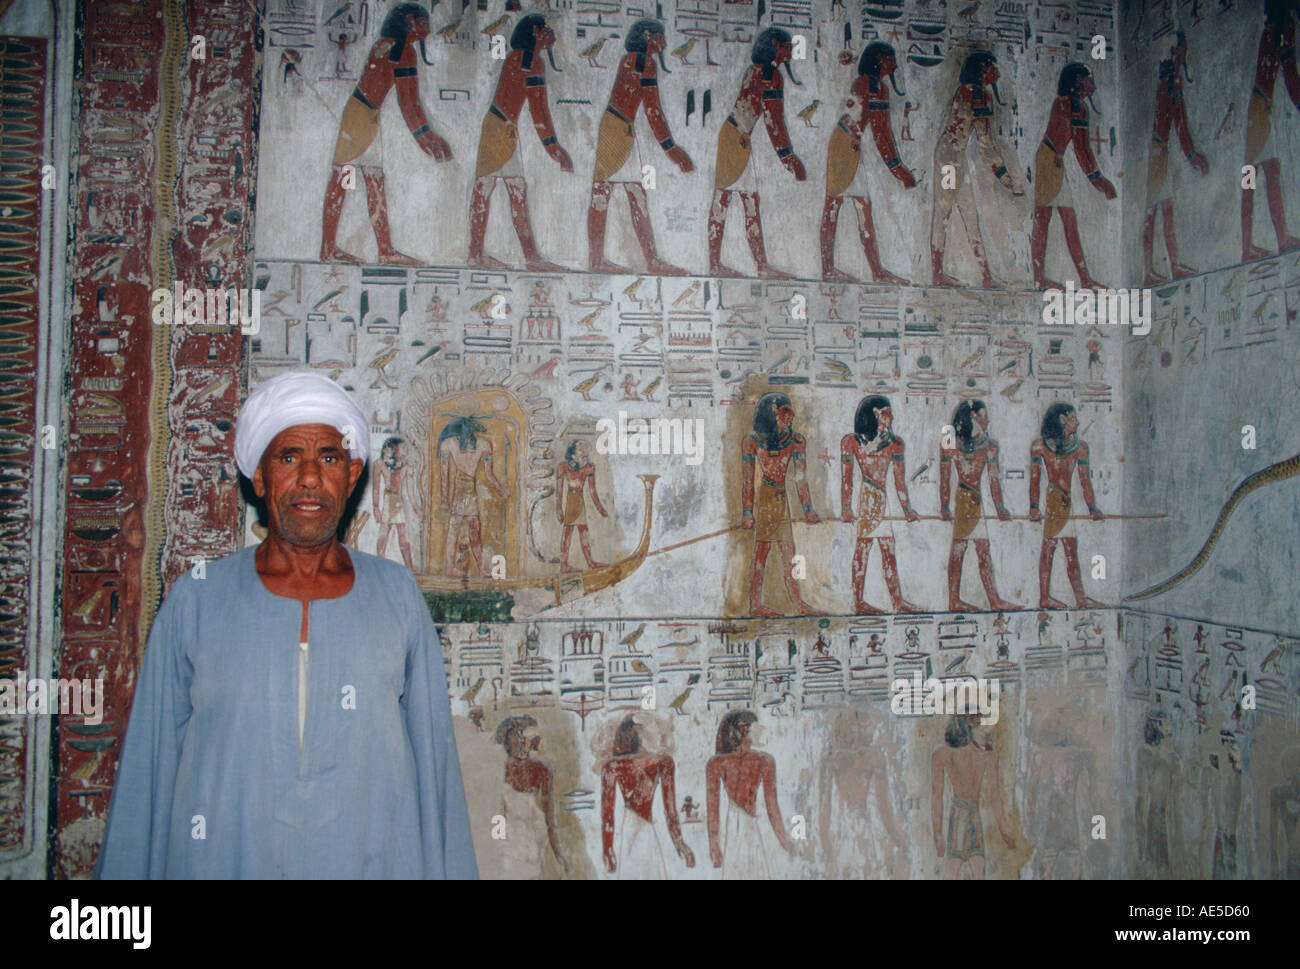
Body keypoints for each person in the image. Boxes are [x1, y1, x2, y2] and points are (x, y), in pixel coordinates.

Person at [95, 371, 477, 878]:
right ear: (259, 477)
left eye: (329, 458)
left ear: (353, 472)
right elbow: (149, 767)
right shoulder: (199, 598)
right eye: (289, 457)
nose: (311, 478)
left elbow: (435, 773)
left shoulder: (397, 596)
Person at [320, 3, 453, 265]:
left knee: (373, 181)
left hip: (364, 116)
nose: (427, 28)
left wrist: (426, 136)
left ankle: (383, 249)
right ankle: (330, 248)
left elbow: (410, 102)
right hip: (360, 120)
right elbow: (408, 102)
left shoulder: (393, 45)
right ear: (408, 23)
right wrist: (425, 137)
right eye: (422, 22)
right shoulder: (400, 49)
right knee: (344, 178)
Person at [588, 19, 694, 275]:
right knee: (611, 192)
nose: (664, 43)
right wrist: (672, 149)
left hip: (618, 127)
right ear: (648, 37)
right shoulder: (643, 62)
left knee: (628, 193)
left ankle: (637, 260)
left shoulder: (634, 60)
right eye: (660, 37)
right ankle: (608, 260)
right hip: (617, 129)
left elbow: (650, 109)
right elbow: (653, 110)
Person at [468, 14, 572, 272]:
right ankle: (477, 254)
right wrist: (554, 148)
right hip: (499, 129)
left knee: (513, 192)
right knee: (488, 188)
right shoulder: (528, 60)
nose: (550, 34)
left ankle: (528, 257)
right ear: (534, 32)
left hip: (502, 127)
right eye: (545, 29)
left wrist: (553, 147)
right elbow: (539, 110)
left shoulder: (524, 58)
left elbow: (538, 110)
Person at [708, 28, 805, 278]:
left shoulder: (764, 72)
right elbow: (774, 121)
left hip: (738, 137)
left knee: (749, 201)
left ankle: (761, 266)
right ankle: (716, 265)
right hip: (734, 138)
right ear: (774, 45)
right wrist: (788, 157)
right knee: (724, 198)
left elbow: (773, 120)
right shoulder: (768, 74)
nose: (791, 51)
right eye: (787, 46)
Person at [820, 42, 915, 284]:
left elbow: (880, 132)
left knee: (856, 207)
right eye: (890, 59)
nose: (894, 64)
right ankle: (835, 270)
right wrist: (899, 170)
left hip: (845, 143)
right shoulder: (874, 86)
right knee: (838, 205)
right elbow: (882, 133)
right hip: (846, 145)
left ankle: (872, 272)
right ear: (879, 61)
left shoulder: (867, 83)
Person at [931, 51, 1021, 288]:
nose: (997, 73)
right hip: (948, 158)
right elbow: (970, 133)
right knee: (944, 211)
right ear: (982, 69)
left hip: (956, 157)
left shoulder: (983, 96)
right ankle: (936, 274)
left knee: (971, 214)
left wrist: (1003, 175)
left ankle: (986, 276)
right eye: (992, 67)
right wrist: (1003, 176)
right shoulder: (969, 92)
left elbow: (985, 141)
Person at [1030, 63, 1116, 290]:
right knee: (1044, 218)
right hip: (1049, 161)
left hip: (1054, 162)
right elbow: (1080, 149)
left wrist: (1098, 179)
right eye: (1088, 80)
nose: (1092, 85)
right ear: (1078, 81)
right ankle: (1040, 280)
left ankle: (1084, 279)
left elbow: (1082, 147)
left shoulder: (1079, 108)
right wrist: (1098, 180)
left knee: (1067, 220)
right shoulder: (1064, 104)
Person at [740, 392, 820, 616]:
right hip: (766, 500)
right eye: (786, 411)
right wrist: (747, 512)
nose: (791, 416)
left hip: (780, 499)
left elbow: (800, 478)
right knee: (761, 552)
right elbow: (748, 480)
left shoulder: (796, 441)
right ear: (773, 414)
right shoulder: (752, 441)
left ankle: (798, 603)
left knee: (789, 551)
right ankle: (755, 604)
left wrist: (808, 510)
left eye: (790, 411)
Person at [840, 395, 920, 614]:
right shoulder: (852, 442)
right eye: (886, 412)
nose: (891, 417)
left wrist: (906, 509)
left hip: (881, 499)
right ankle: (858, 602)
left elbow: (899, 481)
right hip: (867, 499)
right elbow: (847, 479)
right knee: (863, 550)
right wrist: (846, 508)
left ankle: (897, 601)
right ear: (874, 415)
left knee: (888, 551)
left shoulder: (895, 444)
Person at [1142, 31, 1209, 284]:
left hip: (1160, 152)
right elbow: (1179, 123)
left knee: (1162, 210)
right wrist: (1193, 155)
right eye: (1181, 49)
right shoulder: (1172, 83)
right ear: (1173, 53)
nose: (1184, 53)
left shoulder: (1169, 81)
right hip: (1159, 152)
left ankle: (1171, 265)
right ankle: (1150, 271)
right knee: (1154, 212)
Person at [939, 400, 1017, 612]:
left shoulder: (990, 447)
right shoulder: (950, 444)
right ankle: (955, 600)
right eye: (983, 415)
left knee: (983, 552)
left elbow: (994, 479)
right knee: (960, 551)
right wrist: (944, 506)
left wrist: (1000, 506)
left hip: (976, 503)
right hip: (963, 503)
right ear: (972, 418)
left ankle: (993, 600)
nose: (987, 419)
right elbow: (944, 479)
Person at [1028, 402, 1104, 609]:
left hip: (1065, 501)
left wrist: (1092, 508)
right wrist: (1034, 507)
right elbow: (1035, 478)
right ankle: (1047, 597)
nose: (1077, 422)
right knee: (1050, 548)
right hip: (1054, 499)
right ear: (1062, 421)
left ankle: (1079, 598)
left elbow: (1084, 480)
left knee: (1069, 550)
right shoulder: (1040, 446)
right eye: (1072, 418)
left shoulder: (1080, 448)